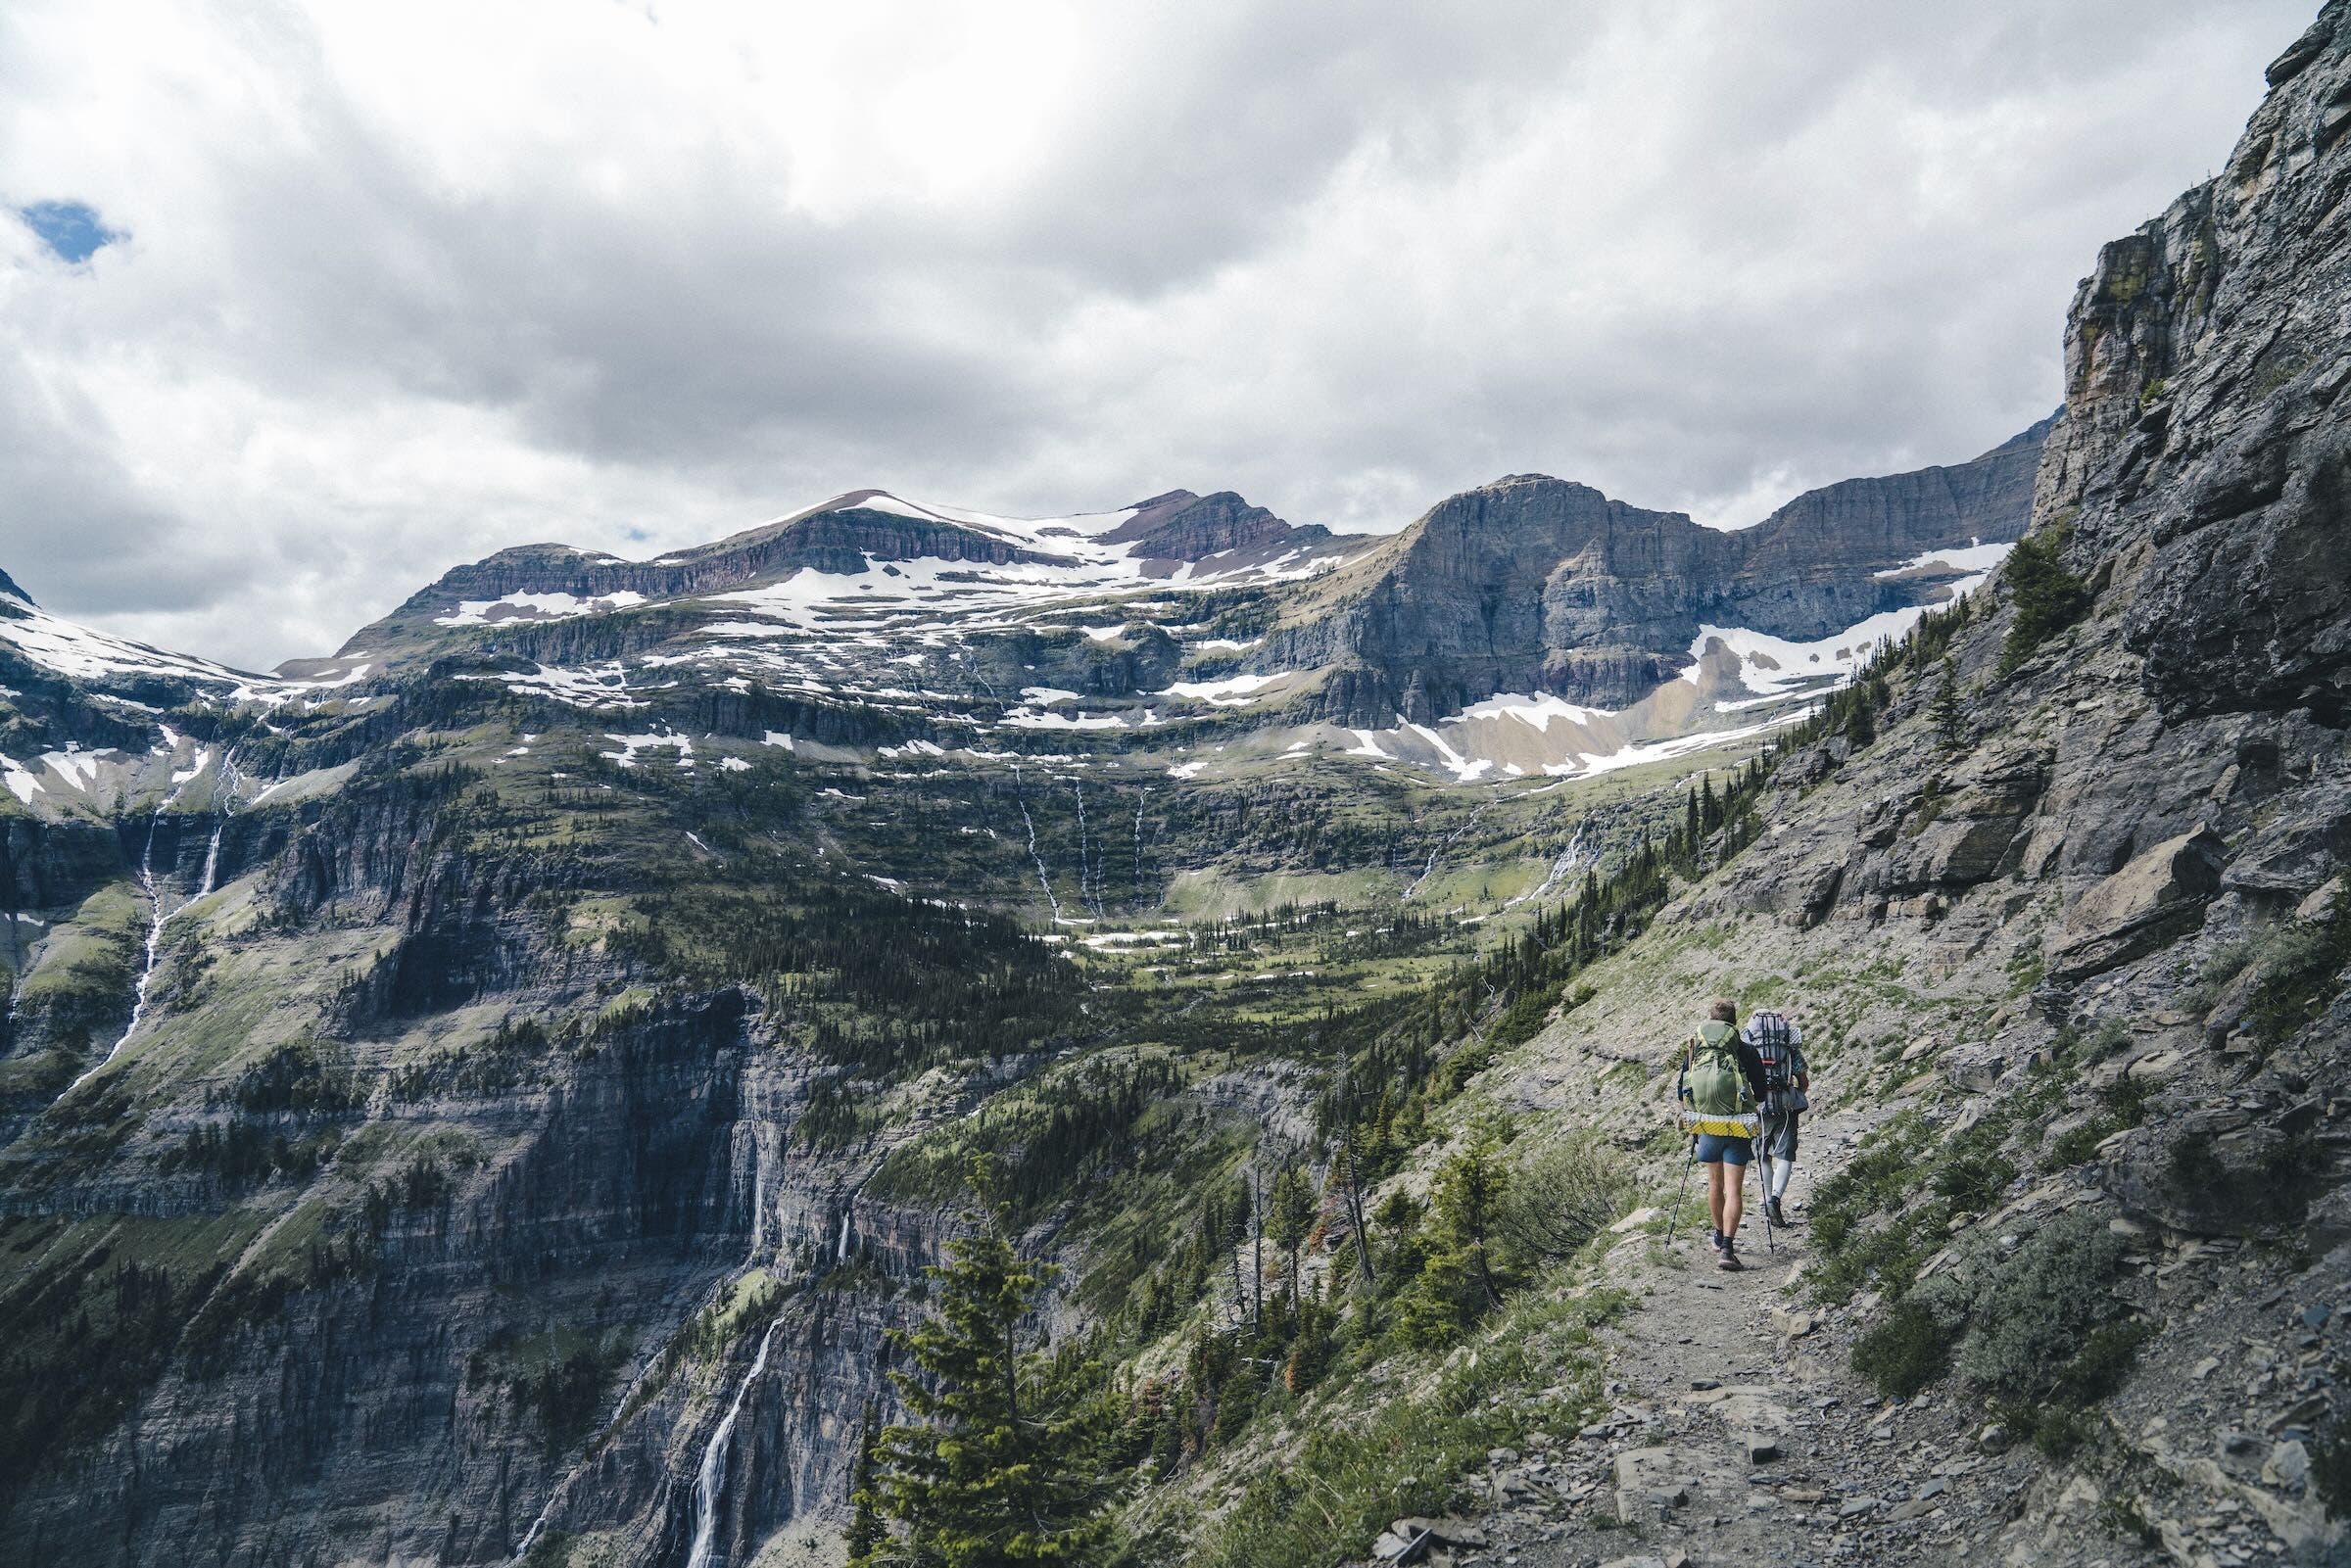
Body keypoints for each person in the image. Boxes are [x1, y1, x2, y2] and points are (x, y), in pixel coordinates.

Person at [1676, 997, 1769, 1270]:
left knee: (1714, 1184)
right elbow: (1762, 1093)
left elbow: (1682, 1087)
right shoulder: (1746, 1050)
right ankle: (1727, 1249)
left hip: (1707, 1126)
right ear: (1734, 1021)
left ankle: (1717, 1235)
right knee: (1734, 1189)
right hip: (1738, 1127)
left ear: (1711, 1019)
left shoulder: (1696, 1048)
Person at [1742, 1007, 1810, 1228]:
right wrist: (1795, 1096)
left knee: (1763, 1156)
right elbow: (1803, 1079)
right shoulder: (1788, 1045)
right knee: (1785, 1155)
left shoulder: (1750, 1045)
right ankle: (1775, 1198)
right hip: (1786, 1105)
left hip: (1759, 1106)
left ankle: (1766, 1199)